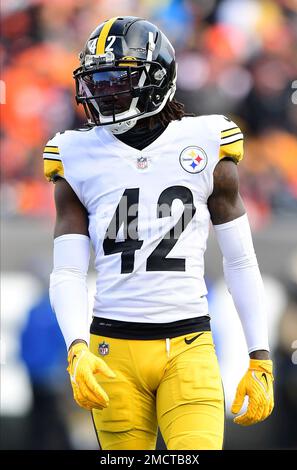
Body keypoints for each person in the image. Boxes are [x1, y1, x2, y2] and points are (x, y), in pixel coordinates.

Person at [43, 16, 274, 450]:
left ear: (157, 78)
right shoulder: (75, 155)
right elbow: (69, 272)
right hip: (111, 350)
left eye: (116, 80)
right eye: (97, 81)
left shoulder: (207, 143)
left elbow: (240, 260)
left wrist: (260, 357)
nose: (102, 93)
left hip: (188, 344)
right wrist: (76, 348)